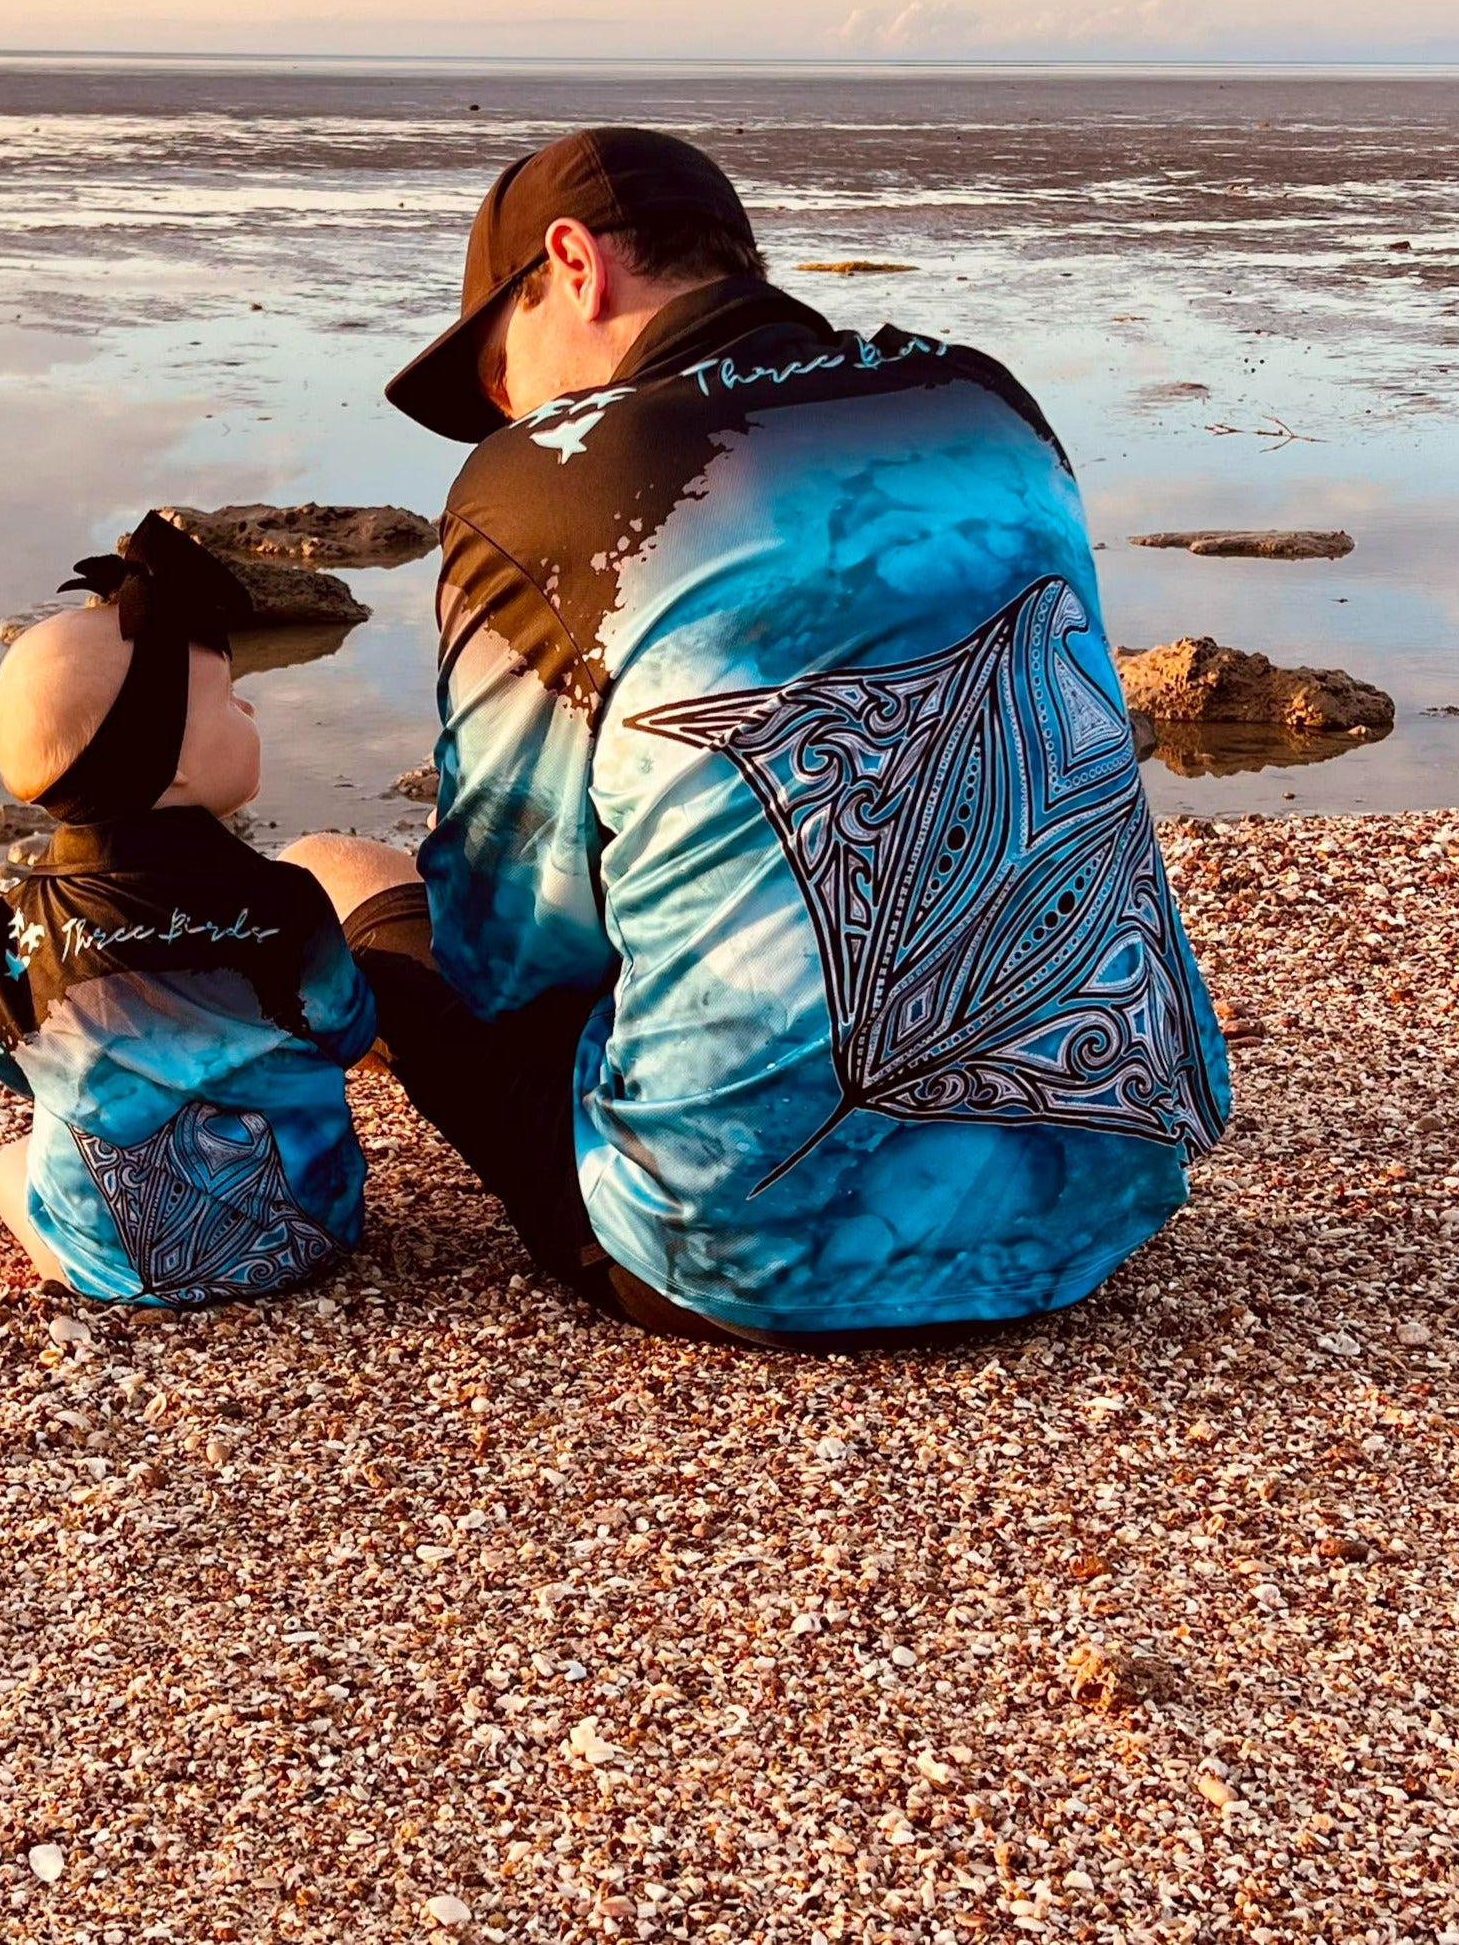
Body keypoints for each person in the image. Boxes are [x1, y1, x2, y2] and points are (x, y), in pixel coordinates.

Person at [284, 127, 1229, 1348]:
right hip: (1102, 1197)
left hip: (744, 1255)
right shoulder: (988, 405)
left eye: (499, 362)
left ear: (573, 267)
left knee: (344, 873)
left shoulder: (552, 471)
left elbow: (508, 943)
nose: (505, 406)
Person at [0, 510, 376, 1305]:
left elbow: (7, 1059)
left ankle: (86, 1257)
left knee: (7, 1166)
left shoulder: (15, 923)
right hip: (311, 1235)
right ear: (173, 765)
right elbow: (348, 1029)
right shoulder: (284, 900)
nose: (250, 715)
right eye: (230, 700)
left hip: (122, 1268)